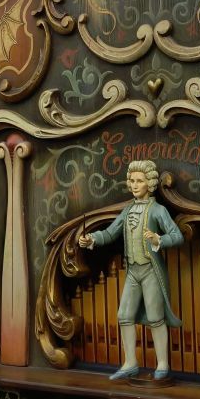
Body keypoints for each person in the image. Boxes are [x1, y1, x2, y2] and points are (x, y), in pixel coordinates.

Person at [78, 159, 183, 381]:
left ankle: (162, 363)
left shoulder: (158, 210)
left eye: (140, 181)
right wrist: (91, 240)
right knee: (124, 315)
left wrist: (158, 239)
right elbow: (109, 233)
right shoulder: (127, 211)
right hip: (133, 271)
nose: (134, 185)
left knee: (156, 317)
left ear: (150, 183)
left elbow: (177, 236)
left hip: (151, 271)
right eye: (132, 181)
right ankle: (130, 362)